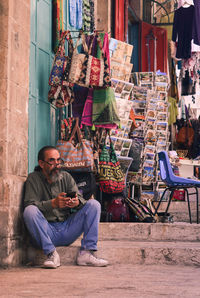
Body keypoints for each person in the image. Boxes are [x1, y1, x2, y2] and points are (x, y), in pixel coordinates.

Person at [23, 146, 108, 269]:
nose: (57, 164)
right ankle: (51, 254)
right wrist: (53, 204)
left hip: (67, 229)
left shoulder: (66, 177)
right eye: (52, 161)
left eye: (59, 160)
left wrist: (76, 202)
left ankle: (86, 253)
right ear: (41, 163)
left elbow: (80, 199)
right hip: (45, 231)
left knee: (94, 205)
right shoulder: (33, 179)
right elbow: (29, 204)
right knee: (29, 211)